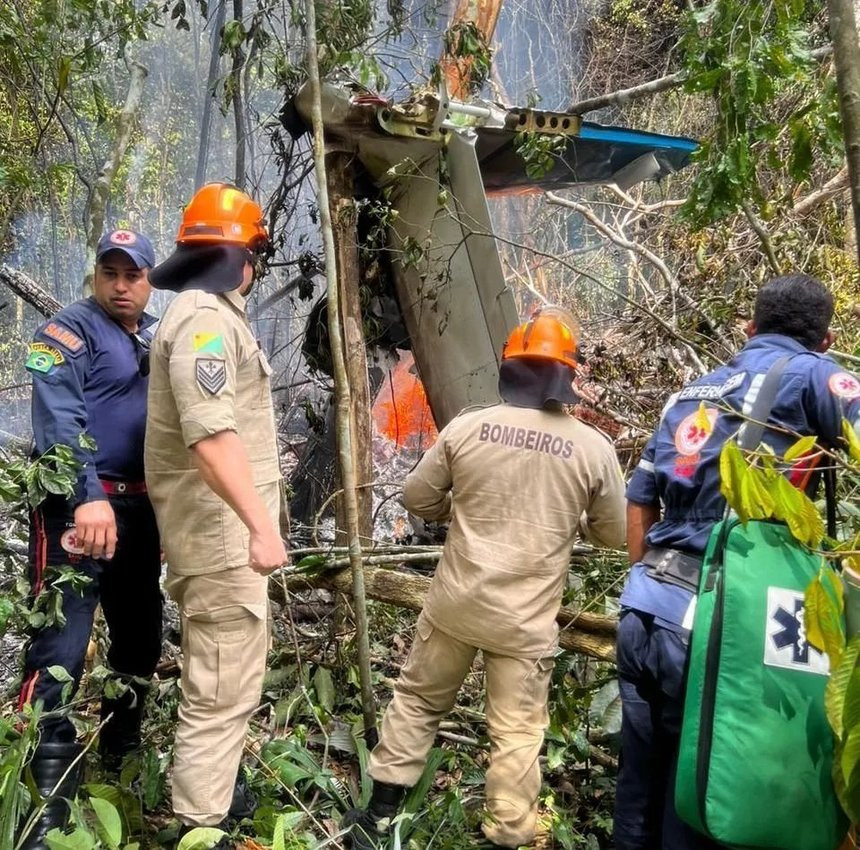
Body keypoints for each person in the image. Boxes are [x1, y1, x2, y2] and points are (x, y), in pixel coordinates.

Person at [343, 312, 627, 849]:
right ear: (566, 375)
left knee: (419, 701)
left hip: (455, 604)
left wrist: (460, 509)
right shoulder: (593, 449)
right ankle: (508, 834)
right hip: (523, 623)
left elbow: (416, 497)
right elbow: (614, 533)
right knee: (516, 734)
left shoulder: (468, 427)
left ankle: (378, 817)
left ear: (510, 367)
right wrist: (571, 521)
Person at [615, 273, 860, 849]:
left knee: (641, 783)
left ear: (749, 329)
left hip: (644, 605)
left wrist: (649, 583)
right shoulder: (817, 374)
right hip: (722, 617)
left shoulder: (689, 393)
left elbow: (640, 499)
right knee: (704, 796)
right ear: (826, 341)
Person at [144, 182, 287, 844]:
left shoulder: (200, 315)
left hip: (216, 537)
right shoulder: (205, 321)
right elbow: (210, 437)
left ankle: (215, 798)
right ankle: (200, 827)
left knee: (225, 677)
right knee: (222, 689)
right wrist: (261, 527)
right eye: (254, 254)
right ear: (241, 258)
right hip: (226, 540)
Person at [16, 230, 162, 849]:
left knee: (141, 636)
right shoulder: (65, 332)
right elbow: (58, 416)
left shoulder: (158, 335)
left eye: (133, 275)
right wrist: (87, 495)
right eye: (110, 273)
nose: (121, 286)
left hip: (141, 509)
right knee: (62, 643)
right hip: (77, 511)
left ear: (151, 279)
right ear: (96, 276)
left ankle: (119, 757)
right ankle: (40, 796)